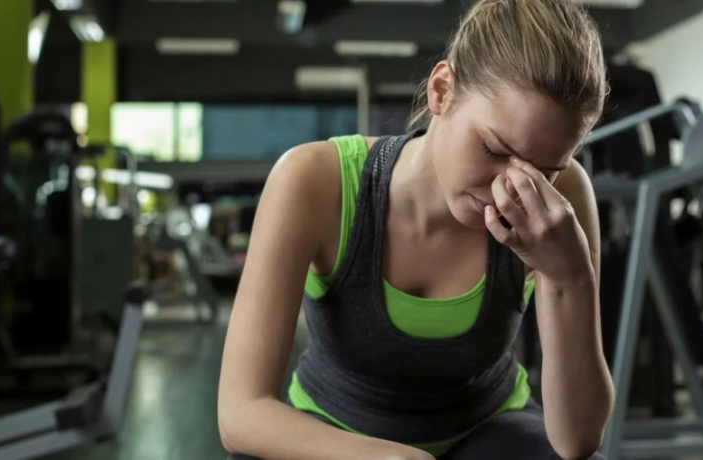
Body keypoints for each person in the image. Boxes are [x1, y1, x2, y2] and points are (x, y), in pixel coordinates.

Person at [218, 0, 614, 458]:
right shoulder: (313, 180)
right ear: (441, 91)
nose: (509, 189)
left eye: (543, 171)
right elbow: (241, 412)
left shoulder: (560, 201)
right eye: (493, 149)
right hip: (338, 434)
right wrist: (391, 457)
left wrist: (569, 277)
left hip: (488, 432)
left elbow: (576, 440)